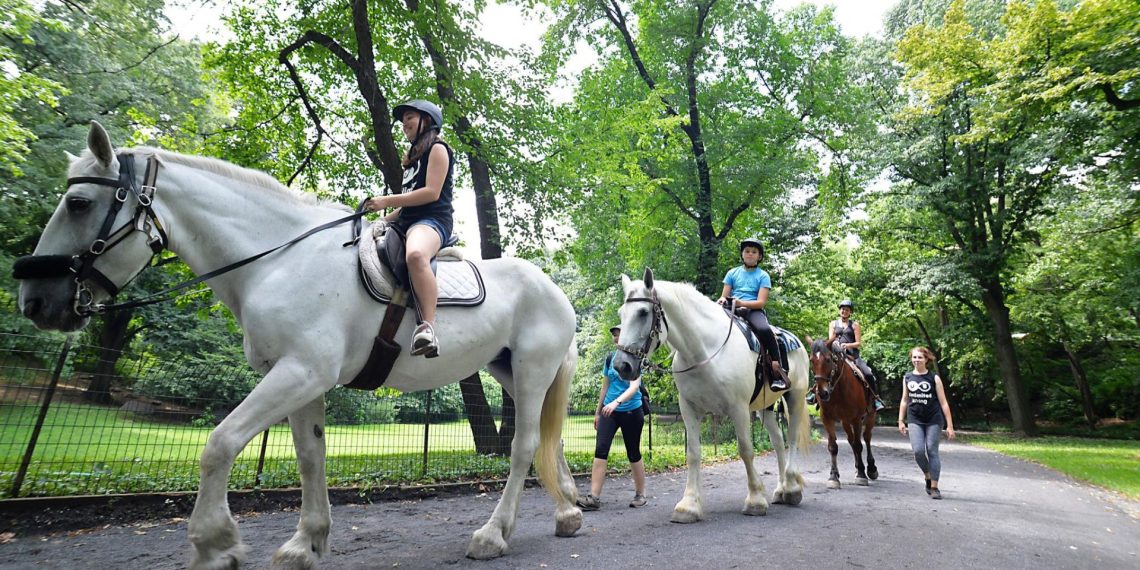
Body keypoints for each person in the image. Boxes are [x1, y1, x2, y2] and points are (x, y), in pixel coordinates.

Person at [364, 99, 455, 358]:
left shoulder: (438, 149)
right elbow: (406, 206)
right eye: (403, 121)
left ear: (428, 121)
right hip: (406, 222)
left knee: (415, 255)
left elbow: (430, 193)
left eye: (410, 118)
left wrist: (386, 200)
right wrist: (383, 219)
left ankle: (427, 327)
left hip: (432, 221)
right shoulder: (411, 160)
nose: (405, 124)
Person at [577, 324, 648, 510]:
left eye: (620, 334)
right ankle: (593, 498)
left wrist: (616, 403)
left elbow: (634, 388)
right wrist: (598, 412)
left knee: (633, 453)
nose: (617, 338)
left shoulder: (635, 359)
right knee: (600, 449)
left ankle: (640, 495)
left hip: (632, 411)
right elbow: (605, 387)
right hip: (609, 412)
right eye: (615, 335)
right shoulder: (610, 359)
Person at [716, 237, 788, 391]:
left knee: (764, 329)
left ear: (759, 256)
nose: (750, 254)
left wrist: (742, 303)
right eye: (747, 251)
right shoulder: (732, 273)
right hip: (731, 308)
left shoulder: (763, 276)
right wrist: (722, 300)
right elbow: (724, 295)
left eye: (754, 252)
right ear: (742, 254)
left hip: (752, 310)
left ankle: (777, 370)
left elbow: (761, 302)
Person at [897, 346, 956, 500]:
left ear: (926, 360)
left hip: (933, 419)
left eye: (920, 358)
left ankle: (935, 487)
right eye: (914, 357)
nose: (917, 360)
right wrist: (900, 420)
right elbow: (904, 400)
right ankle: (927, 475)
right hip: (915, 419)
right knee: (917, 451)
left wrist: (950, 425)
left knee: (932, 450)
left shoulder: (934, 378)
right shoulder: (907, 377)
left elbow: (943, 403)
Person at [823, 299, 885, 411]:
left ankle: (875, 399)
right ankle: (814, 394)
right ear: (839, 311)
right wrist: (835, 343)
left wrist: (847, 345)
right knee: (823, 369)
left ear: (850, 312)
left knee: (868, 373)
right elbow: (831, 339)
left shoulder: (855, 325)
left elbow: (858, 343)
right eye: (842, 309)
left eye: (847, 310)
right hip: (837, 355)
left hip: (852, 356)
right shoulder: (833, 323)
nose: (844, 311)